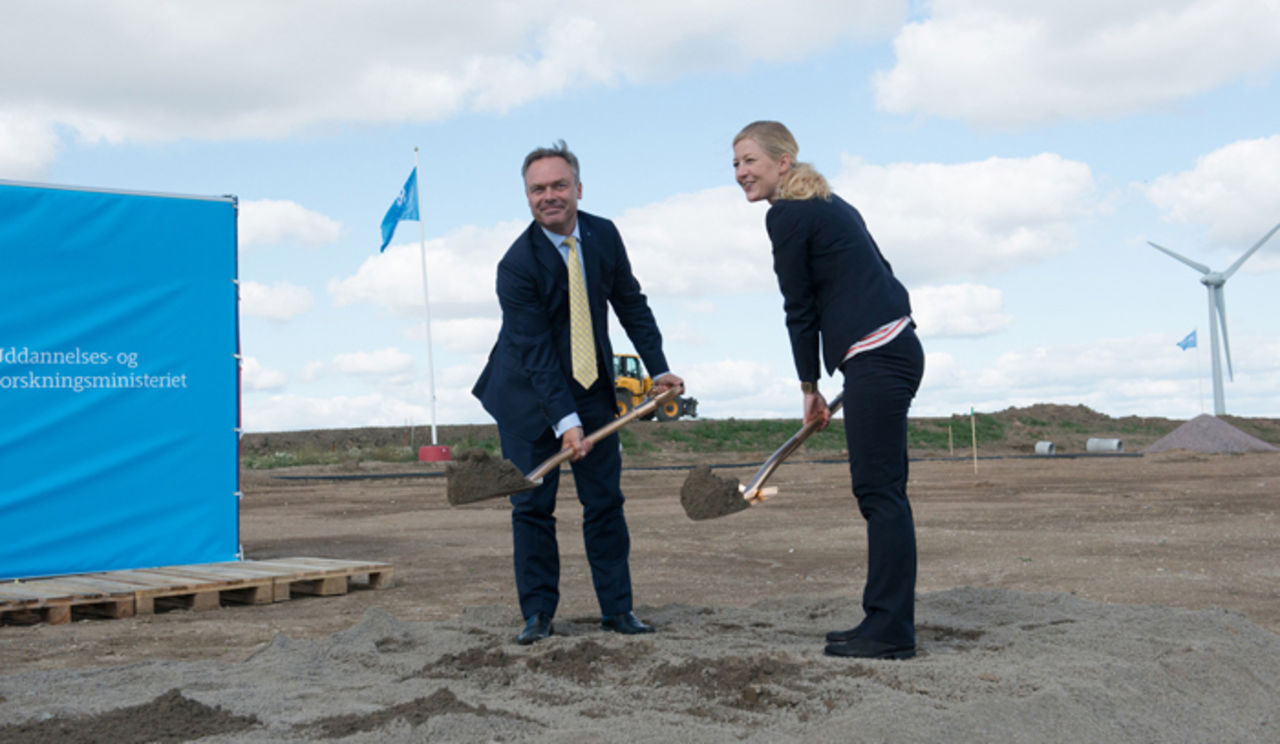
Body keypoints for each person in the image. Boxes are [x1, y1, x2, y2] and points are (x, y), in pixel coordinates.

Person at [473, 140, 684, 645]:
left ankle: (618, 610)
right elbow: (535, 351)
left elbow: (632, 304)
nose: (549, 196)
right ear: (527, 197)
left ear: (578, 188)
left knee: (605, 502)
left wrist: (659, 369)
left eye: (558, 185)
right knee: (532, 506)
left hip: (592, 388)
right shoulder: (516, 265)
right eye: (538, 189)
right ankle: (538, 615)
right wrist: (565, 425)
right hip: (526, 395)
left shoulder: (603, 235)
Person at [732, 121, 924, 660]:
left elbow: (799, 307)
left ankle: (890, 632)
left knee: (880, 493)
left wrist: (809, 386)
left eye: (751, 161)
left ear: (783, 162)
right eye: (736, 165)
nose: (742, 172)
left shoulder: (788, 215)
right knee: (882, 492)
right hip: (889, 350)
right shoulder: (831, 204)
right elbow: (883, 273)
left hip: (877, 357)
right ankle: (881, 618)